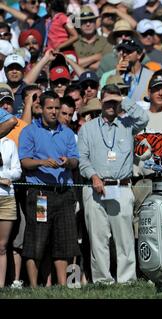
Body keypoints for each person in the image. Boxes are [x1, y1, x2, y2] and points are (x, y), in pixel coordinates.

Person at [78, 84, 148, 284]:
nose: (111, 105)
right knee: (98, 238)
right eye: (107, 101)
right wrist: (93, 176)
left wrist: (122, 101)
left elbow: (144, 118)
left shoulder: (128, 125)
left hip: (122, 187)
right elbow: (82, 158)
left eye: (114, 101)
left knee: (124, 237)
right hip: (95, 188)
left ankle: (127, 279)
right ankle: (102, 280)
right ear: (100, 102)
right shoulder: (87, 128)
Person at [18, 91, 80, 288]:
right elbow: (25, 162)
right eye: (50, 108)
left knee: (65, 241)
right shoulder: (29, 131)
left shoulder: (68, 133)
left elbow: (75, 160)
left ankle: (64, 286)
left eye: (56, 108)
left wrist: (68, 161)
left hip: (64, 193)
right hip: (40, 194)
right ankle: (35, 287)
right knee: (36, 240)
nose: (54, 112)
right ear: (41, 109)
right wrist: (43, 162)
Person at [0, 133, 21, 288]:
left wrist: (5, 175)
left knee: (2, 246)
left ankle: (1, 285)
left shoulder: (9, 143)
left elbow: (17, 172)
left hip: (7, 198)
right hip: (4, 188)